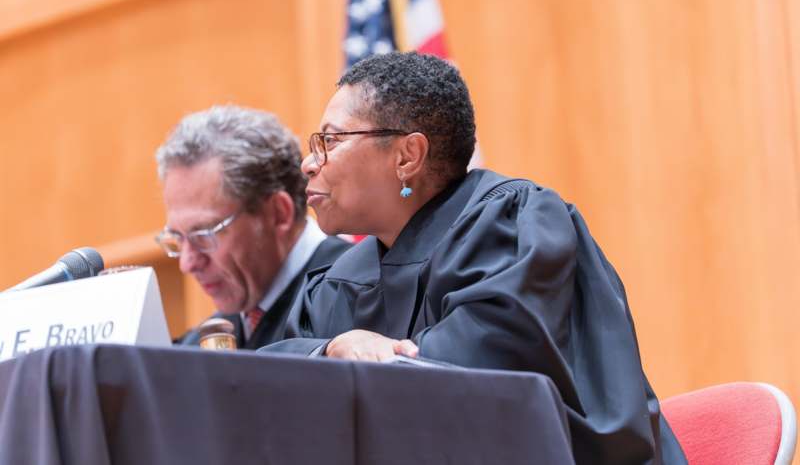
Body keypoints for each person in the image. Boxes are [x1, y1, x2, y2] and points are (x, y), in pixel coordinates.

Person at [263, 52, 686, 463]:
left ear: (407, 156)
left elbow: (477, 384)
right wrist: (334, 349)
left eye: (330, 140)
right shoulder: (338, 282)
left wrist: (364, 365)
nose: (308, 163)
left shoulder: (512, 227)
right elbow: (268, 379)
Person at [155, 105, 350, 350]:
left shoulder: (355, 292)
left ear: (279, 213)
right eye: (177, 238)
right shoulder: (212, 335)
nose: (187, 263)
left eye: (204, 234)